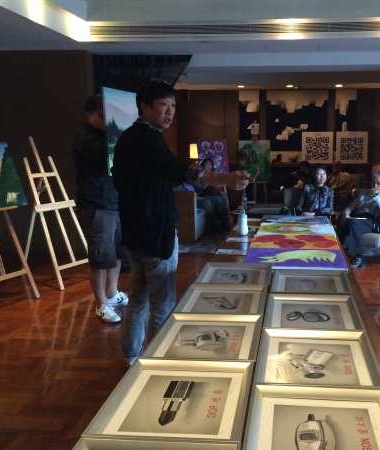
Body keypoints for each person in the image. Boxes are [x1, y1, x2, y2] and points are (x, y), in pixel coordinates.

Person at [111, 79, 250, 366]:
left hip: (134, 234)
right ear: (144, 107)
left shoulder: (126, 138)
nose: (170, 111)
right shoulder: (149, 138)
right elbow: (178, 171)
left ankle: (131, 358)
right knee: (162, 304)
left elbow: (136, 179)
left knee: (138, 298)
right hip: (155, 234)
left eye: (173, 105)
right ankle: (156, 364)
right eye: (163, 105)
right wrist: (224, 178)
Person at [73, 94, 129, 323]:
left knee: (118, 253)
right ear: (89, 115)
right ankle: (101, 304)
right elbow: (103, 154)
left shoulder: (107, 137)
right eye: (103, 115)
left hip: (116, 201)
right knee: (100, 256)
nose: (108, 120)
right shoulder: (84, 139)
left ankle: (112, 294)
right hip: (96, 204)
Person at [336, 172, 380, 269]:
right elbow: (352, 206)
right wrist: (346, 212)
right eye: (373, 182)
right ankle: (337, 251)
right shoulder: (363, 193)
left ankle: (360, 257)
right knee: (342, 221)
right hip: (358, 218)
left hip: (373, 220)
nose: (375, 185)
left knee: (353, 222)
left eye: (378, 183)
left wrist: (376, 197)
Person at [195, 158, 231, 232]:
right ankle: (215, 226)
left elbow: (203, 186)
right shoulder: (198, 173)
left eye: (210, 164)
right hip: (199, 196)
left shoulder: (209, 174)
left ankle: (224, 223)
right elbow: (198, 187)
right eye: (207, 164)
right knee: (208, 202)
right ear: (203, 164)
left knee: (219, 199)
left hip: (202, 195)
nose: (209, 166)